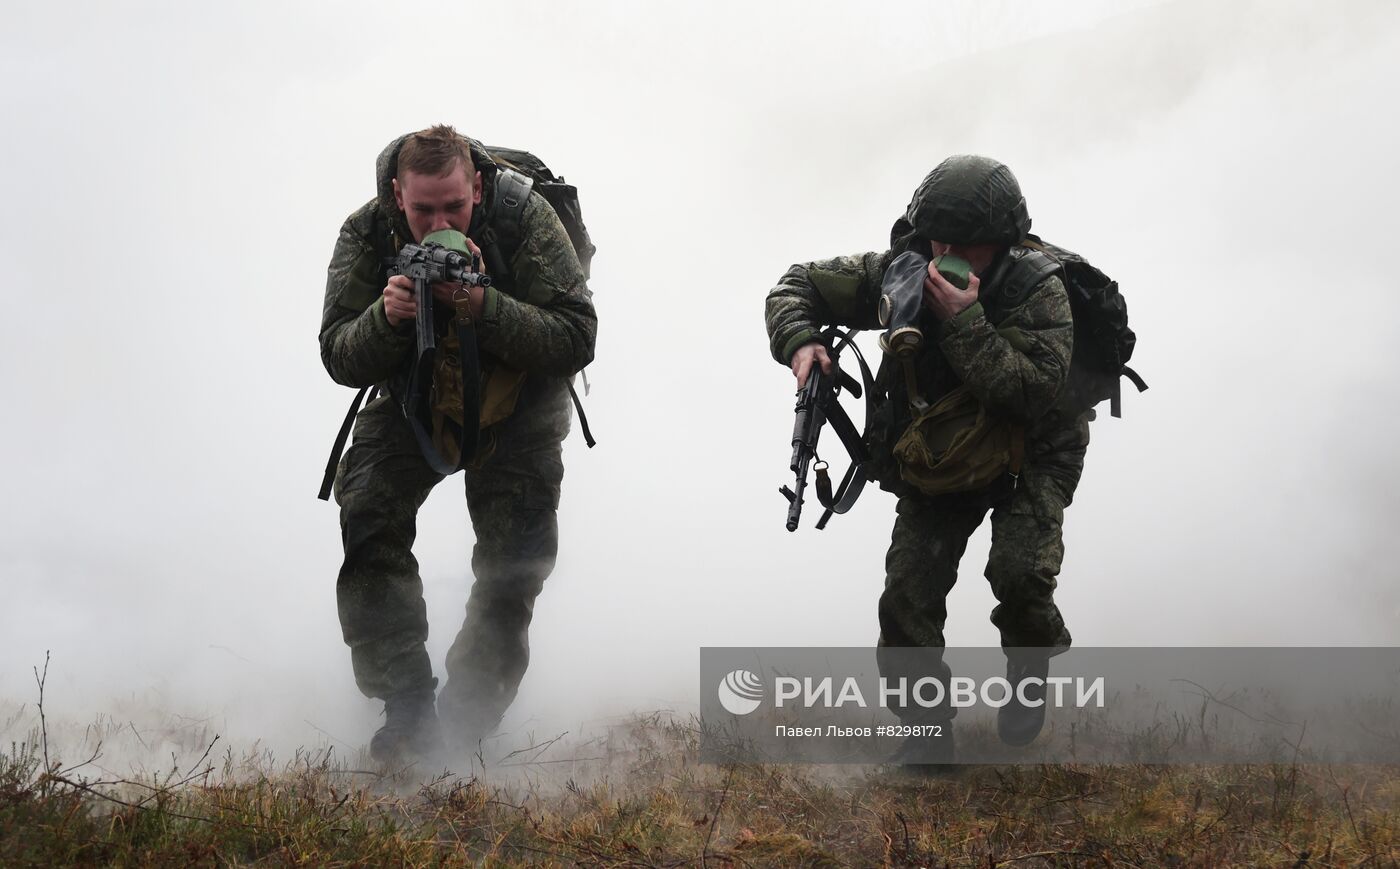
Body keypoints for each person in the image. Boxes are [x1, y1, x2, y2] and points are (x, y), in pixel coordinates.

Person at [764, 155, 1090, 763]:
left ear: (1003, 243)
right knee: (908, 597)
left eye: (968, 245)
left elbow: (1030, 391)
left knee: (1020, 578)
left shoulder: (1036, 289)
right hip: (941, 458)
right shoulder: (899, 272)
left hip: (1032, 453)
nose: (949, 255)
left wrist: (964, 321)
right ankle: (926, 736)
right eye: (940, 239)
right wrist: (800, 339)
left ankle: (1030, 671)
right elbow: (797, 283)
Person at [319, 125, 596, 761]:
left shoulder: (523, 216)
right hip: (415, 396)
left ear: (477, 184)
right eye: (422, 211)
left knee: (514, 564)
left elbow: (577, 336)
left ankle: (468, 723)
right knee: (368, 513)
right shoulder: (368, 232)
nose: (439, 221)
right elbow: (338, 353)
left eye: (454, 206)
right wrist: (385, 320)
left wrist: (481, 305)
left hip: (523, 407)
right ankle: (407, 712)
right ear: (397, 195)